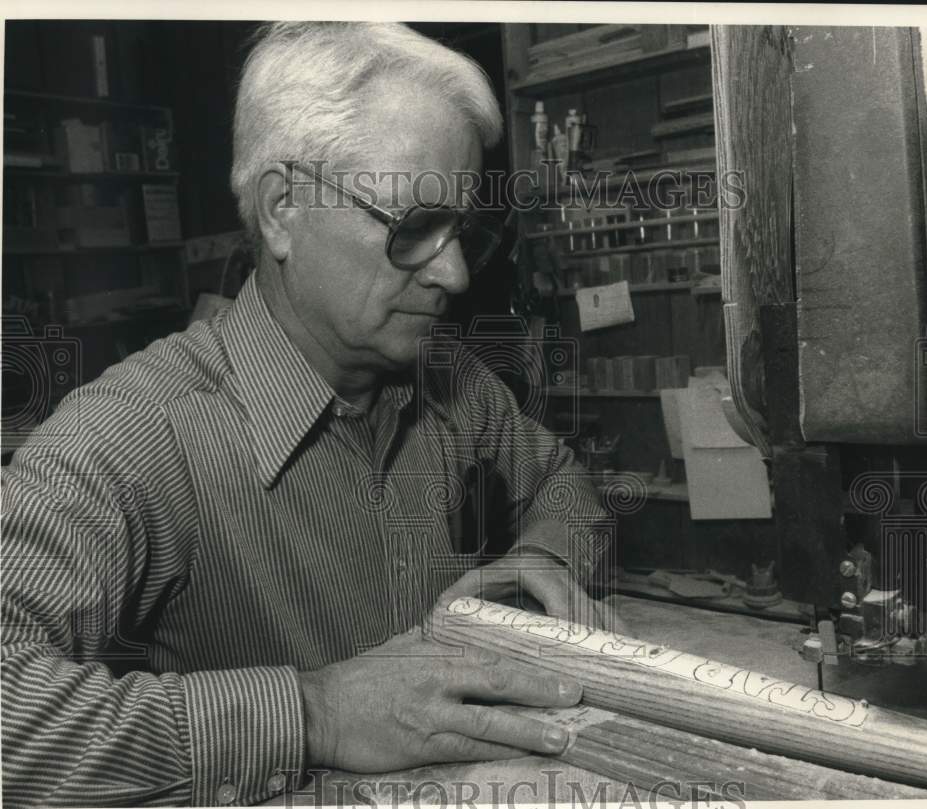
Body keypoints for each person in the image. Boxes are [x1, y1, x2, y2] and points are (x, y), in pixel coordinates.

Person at [1, 22, 615, 807]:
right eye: (414, 227)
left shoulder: (450, 382)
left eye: (463, 229)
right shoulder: (134, 434)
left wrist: (547, 569)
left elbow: (565, 483)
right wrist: (314, 712)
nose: (455, 273)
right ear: (283, 207)